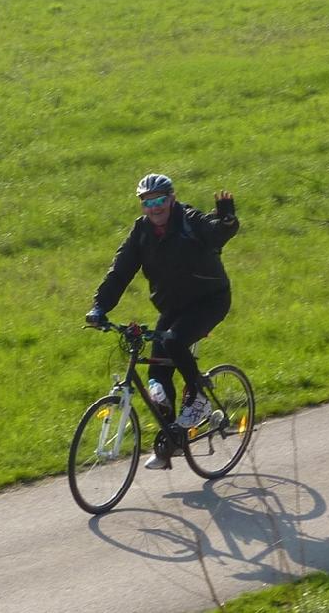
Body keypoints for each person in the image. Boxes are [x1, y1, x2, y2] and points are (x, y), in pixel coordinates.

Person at [86, 173, 240, 469]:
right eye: (147, 202)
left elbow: (215, 233)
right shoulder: (142, 232)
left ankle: (198, 400)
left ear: (172, 199)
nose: (154, 207)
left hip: (210, 300)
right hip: (174, 306)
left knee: (174, 341)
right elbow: (120, 272)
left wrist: (227, 221)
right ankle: (171, 441)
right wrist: (99, 308)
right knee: (157, 375)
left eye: (159, 200)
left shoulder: (188, 220)